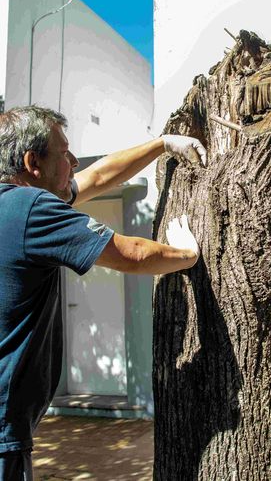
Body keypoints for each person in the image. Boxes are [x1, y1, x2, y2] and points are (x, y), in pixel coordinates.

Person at [0, 106, 206, 480]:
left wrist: (162, 144)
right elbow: (131, 254)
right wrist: (187, 255)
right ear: (32, 162)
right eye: (64, 153)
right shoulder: (31, 207)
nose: (74, 160)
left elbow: (98, 176)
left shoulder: (11, 205)